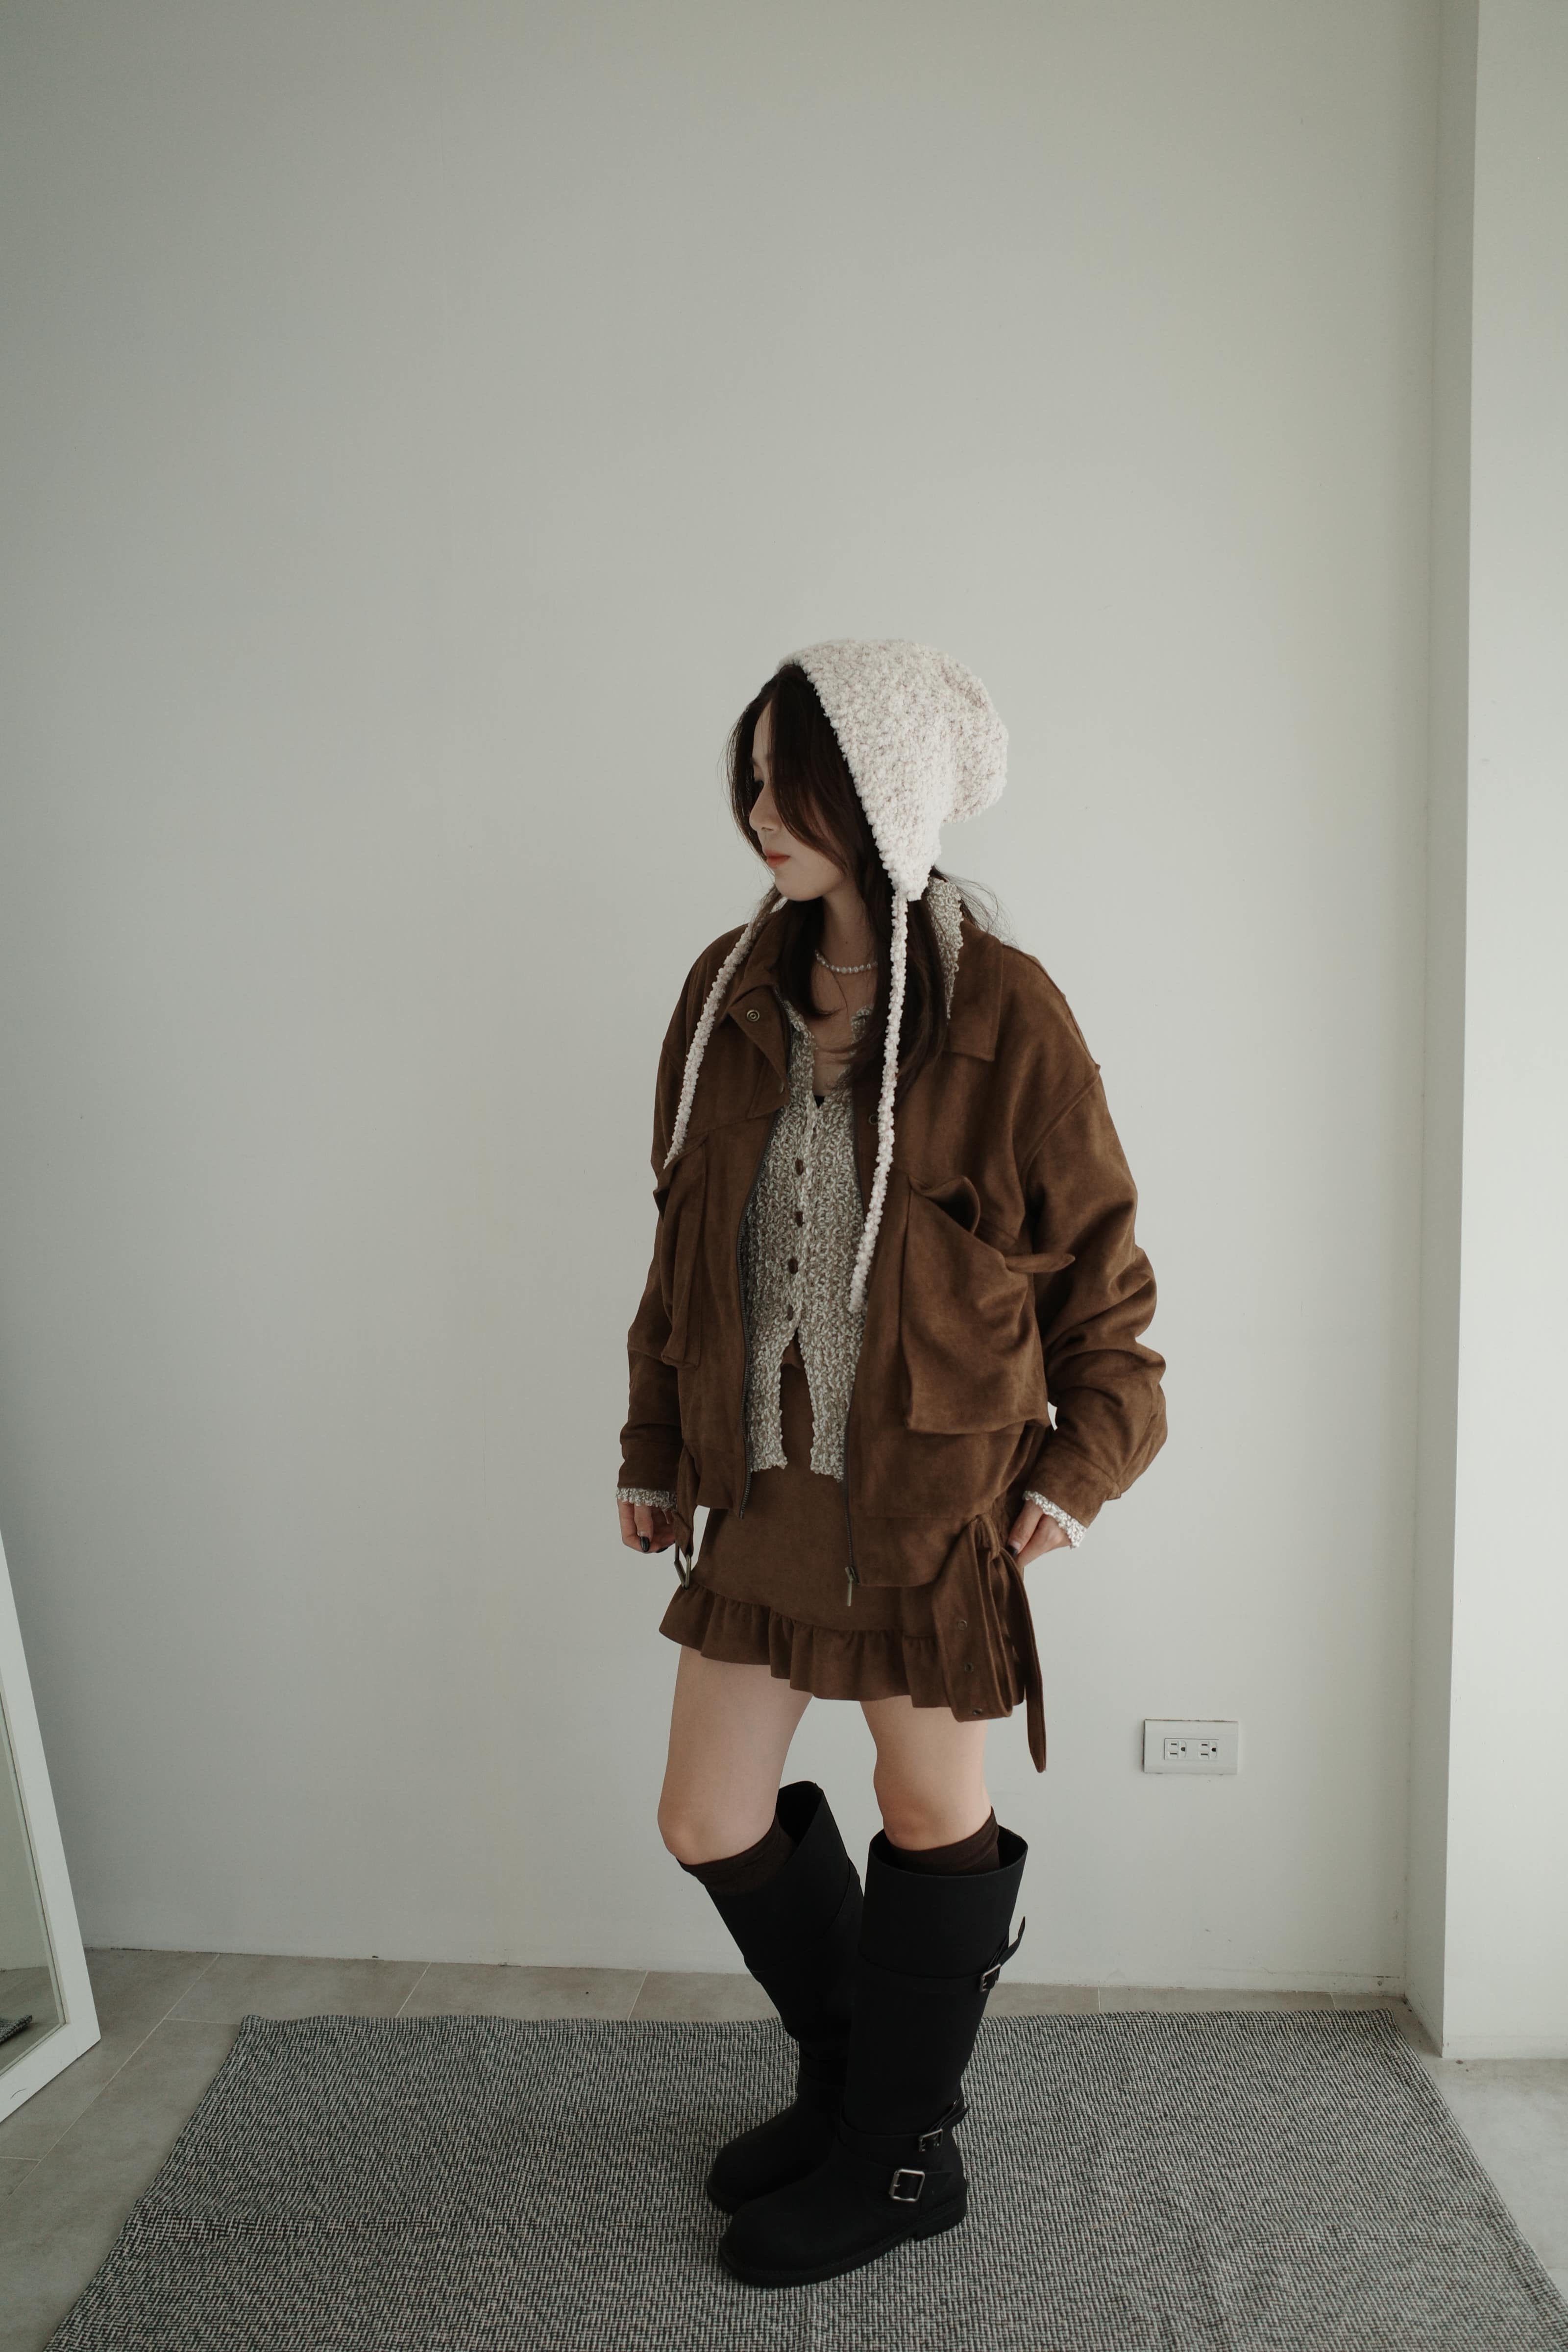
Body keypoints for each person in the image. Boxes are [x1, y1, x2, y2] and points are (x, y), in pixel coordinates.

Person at [615, 640, 1166, 2289]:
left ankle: (902, 2159)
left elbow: (1106, 1280)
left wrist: (1076, 1472)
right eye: (751, 778)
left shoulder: (1006, 1009)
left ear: (884, 792)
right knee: (707, 1814)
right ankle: (870, 2087)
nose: (758, 812)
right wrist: (655, 1441)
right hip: (767, 1488)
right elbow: (679, 1245)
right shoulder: (728, 989)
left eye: (791, 781)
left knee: (930, 1811)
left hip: (929, 1502)